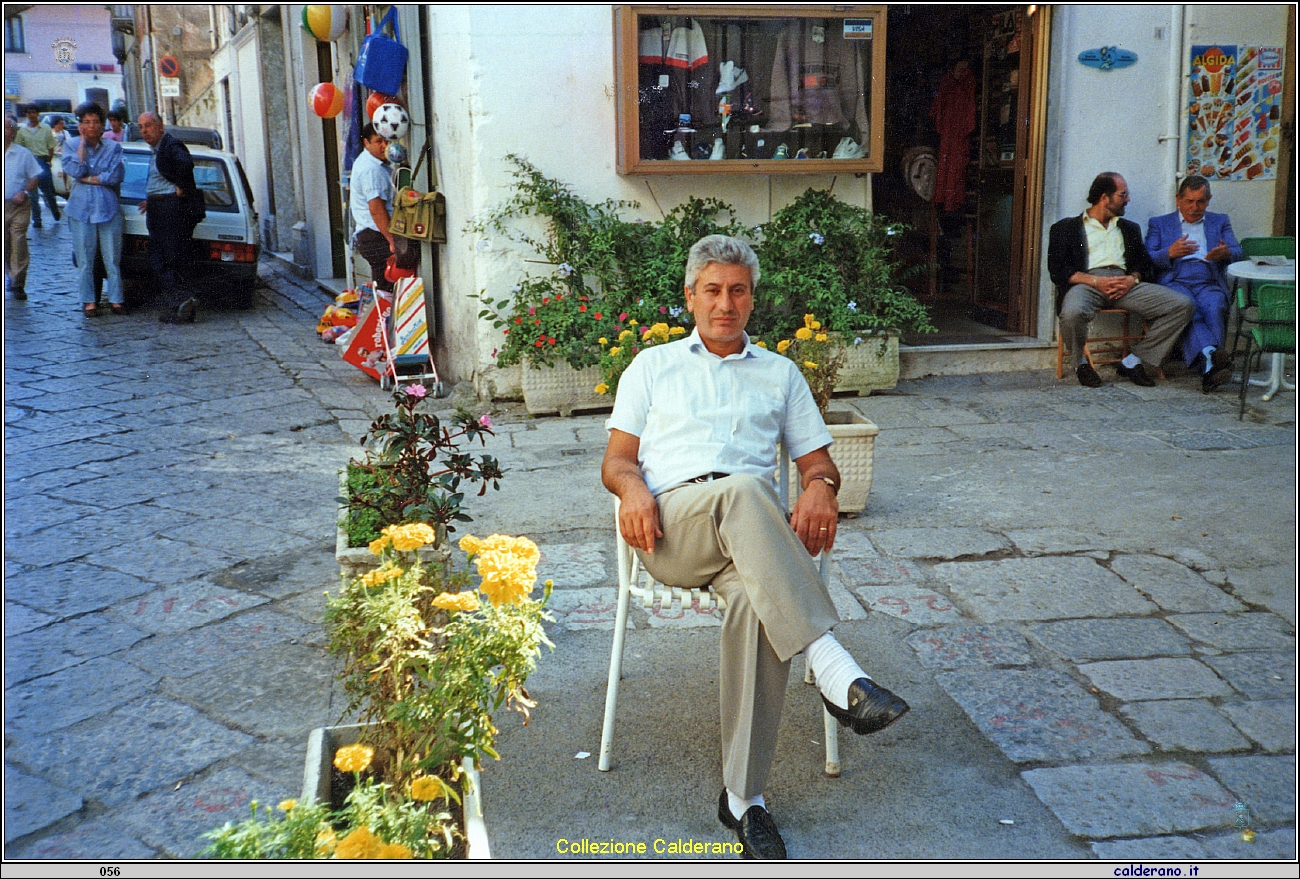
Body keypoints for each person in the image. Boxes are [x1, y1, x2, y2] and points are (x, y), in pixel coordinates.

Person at [601, 235, 910, 860]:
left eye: (737, 290)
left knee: (752, 600)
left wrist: (822, 489)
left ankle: (743, 800)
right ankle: (831, 665)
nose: (725, 303)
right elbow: (617, 461)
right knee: (744, 488)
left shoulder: (780, 373)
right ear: (690, 296)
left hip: (749, 548)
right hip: (671, 528)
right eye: (712, 290)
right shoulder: (652, 367)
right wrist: (632, 490)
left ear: (752, 298)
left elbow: (819, 465)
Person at [1047, 172, 1195, 388]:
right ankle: (1080, 364)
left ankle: (1133, 361)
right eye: (1123, 195)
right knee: (1072, 313)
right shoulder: (1065, 228)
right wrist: (1096, 282)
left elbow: (1145, 266)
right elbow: (1057, 270)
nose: (1128, 200)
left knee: (1183, 305)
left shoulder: (1129, 228)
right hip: (1087, 284)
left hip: (1125, 284)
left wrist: (1131, 280)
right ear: (1105, 198)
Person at [1145, 176, 1244, 392]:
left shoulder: (1220, 220)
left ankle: (1210, 366)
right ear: (1178, 199)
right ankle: (1214, 362)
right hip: (1175, 278)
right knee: (1187, 306)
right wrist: (1168, 253)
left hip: (1208, 277)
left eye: (1200, 201)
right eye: (1189, 201)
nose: (1194, 207)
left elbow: (1239, 251)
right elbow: (1146, 257)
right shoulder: (1159, 223)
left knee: (1215, 304)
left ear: (1209, 200)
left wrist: (1226, 252)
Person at [137, 112, 206, 323]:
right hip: (159, 207)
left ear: (160, 127)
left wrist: (182, 188)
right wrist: (151, 199)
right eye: (141, 127)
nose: (144, 130)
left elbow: (185, 164)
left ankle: (184, 299)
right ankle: (180, 306)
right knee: (167, 259)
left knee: (164, 259)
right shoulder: (158, 149)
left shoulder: (171, 145)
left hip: (170, 210)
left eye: (148, 126)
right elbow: (163, 177)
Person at [62, 102, 125, 317]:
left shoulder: (113, 147)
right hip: (81, 210)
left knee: (112, 257)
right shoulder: (70, 145)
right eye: (86, 122)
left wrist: (87, 178)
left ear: (102, 124)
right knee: (85, 258)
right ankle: (89, 301)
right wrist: (81, 144)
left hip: (108, 208)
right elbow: (74, 170)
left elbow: (115, 176)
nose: (91, 126)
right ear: (80, 125)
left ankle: (117, 300)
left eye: (95, 122)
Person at [349, 123, 395, 293]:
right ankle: (383, 319)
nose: (384, 146)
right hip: (377, 235)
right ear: (366, 143)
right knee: (387, 290)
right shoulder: (371, 169)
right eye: (378, 141)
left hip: (373, 234)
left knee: (385, 288)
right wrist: (392, 240)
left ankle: (384, 318)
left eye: (387, 140)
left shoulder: (370, 161)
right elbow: (376, 209)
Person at [5, 117, 42, 300]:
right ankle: (9, 275)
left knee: (18, 241)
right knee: (5, 244)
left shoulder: (23, 154)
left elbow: (34, 178)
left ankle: (18, 282)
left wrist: (24, 191)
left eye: (7, 128)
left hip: (18, 205)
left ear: (13, 132)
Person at [14, 104, 61, 228]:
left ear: (38, 114)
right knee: (32, 194)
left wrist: (48, 161)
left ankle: (55, 212)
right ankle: (37, 219)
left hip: (42, 161)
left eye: (33, 112)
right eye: (29, 112)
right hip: (29, 164)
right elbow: (19, 147)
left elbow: (51, 146)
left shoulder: (45, 128)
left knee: (48, 192)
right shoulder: (22, 131)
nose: (31, 115)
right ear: (26, 114)